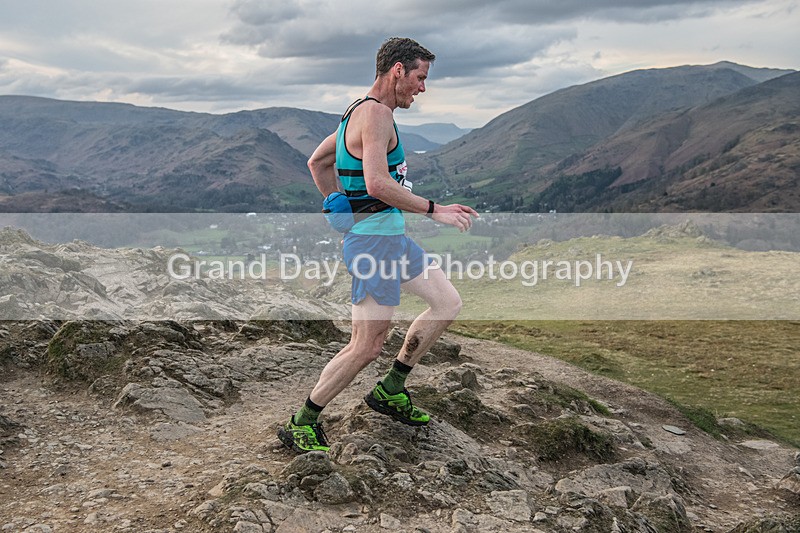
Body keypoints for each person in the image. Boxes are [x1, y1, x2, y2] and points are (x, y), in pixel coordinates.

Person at [278, 37, 478, 453]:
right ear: (398, 70)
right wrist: (434, 210)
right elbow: (378, 183)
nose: (422, 88)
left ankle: (392, 389)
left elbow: (317, 162)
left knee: (446, 302)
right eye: (420, 78)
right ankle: (303, 420)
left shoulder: (355, 112)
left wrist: (336, 204)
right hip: (374, 247)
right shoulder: (376, 115)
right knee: (366, 345)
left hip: (391, 240)